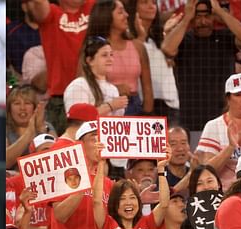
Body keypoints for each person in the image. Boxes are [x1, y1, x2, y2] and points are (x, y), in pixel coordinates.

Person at [161, 0, 241, 132]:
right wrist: (187, 17)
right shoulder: (184, 39)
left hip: (224, 116)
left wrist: (220, 11)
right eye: (198, 16)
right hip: (191, 116)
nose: (203, 21)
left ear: (213, 16)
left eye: (207, 15)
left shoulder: (225, 37)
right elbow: (167, 49)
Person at [25, 0, 97, 134]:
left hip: (94, 92)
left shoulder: (92, 6)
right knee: (61, 148)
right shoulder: (52, 14)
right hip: (61, 98)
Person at [86, 0, 153, 115]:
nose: (126, 15)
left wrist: (146, 115)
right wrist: (114, 89)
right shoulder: (92, 48)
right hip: (105, 107)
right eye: (120, 12)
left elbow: (147, 89)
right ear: (106, 16)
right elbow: (84, 83)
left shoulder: (138, 47)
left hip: (135, 108)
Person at [131, 0, 180, 123]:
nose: (151, 6)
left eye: (153, 3)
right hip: (143, 104)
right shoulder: (129, 39)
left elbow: (171, 55)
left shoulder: (160, 36)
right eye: (144, 2)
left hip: (169, 103)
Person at [64, 35, 128, 117]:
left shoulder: (113, 89)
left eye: (111, 55)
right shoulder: (78, 86)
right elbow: (77, 118)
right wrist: (110, 106)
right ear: (90, 61)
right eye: (104, 55)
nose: (110, 59)